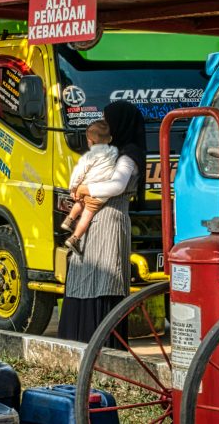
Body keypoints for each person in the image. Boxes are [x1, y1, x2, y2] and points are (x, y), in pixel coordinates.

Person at [57, 101, 146, 345]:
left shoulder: (129, 155)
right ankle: (78, 343)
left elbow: (117, 185)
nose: (104, 125)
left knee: (105, 281)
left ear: (120, 123)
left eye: (107, 120)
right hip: (92, 223)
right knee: (82, 276)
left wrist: (85, 188)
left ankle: (101, 347)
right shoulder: (109, 152)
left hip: (109, 223)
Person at [61, 119, 118, 255]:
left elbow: (78, 172)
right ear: (110, 139)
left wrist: (73, 187)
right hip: (99, 193)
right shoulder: (114, 152)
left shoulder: (89, 156)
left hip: (85, 186)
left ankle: (69, 220)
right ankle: (74, 239)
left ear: (89, 141)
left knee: (80, 202)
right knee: (86, 216)